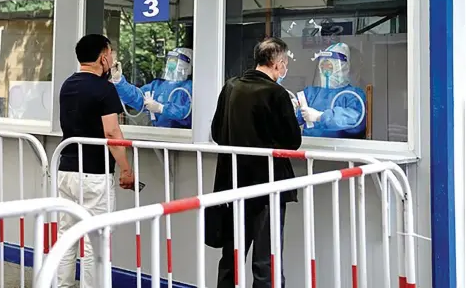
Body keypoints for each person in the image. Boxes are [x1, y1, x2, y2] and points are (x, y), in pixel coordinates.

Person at [210, 37, 302, 288]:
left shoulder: (231, 86)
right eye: (285, 64)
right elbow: (293, 141)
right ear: (278, 63)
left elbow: (217, 132)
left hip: (233, 183)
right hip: (267, 186)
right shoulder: (276, 93)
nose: (284, 69)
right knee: (266, 259)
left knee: (232, 254)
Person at [57, 34, 135, 288]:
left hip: (66, 171)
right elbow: (112, 132)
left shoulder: (67, 85)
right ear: (103, 57)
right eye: (110, 53)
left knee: (66, 237)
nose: (112, 58)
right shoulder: (104, 89)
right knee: (95, 243)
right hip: (94, 174)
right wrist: (125, 168)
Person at [110, 47, 193, 129]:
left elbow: (188, 113)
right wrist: (119, 81)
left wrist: (161, 108)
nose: (171, 62)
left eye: (175, 59)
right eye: (170, 58)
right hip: (157, 134)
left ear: (187, 65)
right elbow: (136, 97)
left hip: (182, 137)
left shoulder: (190, 88)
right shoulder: (157, 85)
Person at [297, 42, 367, 139]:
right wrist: (291, 108)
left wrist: (321, 117)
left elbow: (356, 122)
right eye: (323, 66)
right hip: (310, 147)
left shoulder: (353, 95)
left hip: (339, 150)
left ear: (343, 67)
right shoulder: (311, 93)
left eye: (330, 66)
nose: (326, 71)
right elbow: (294, 118)